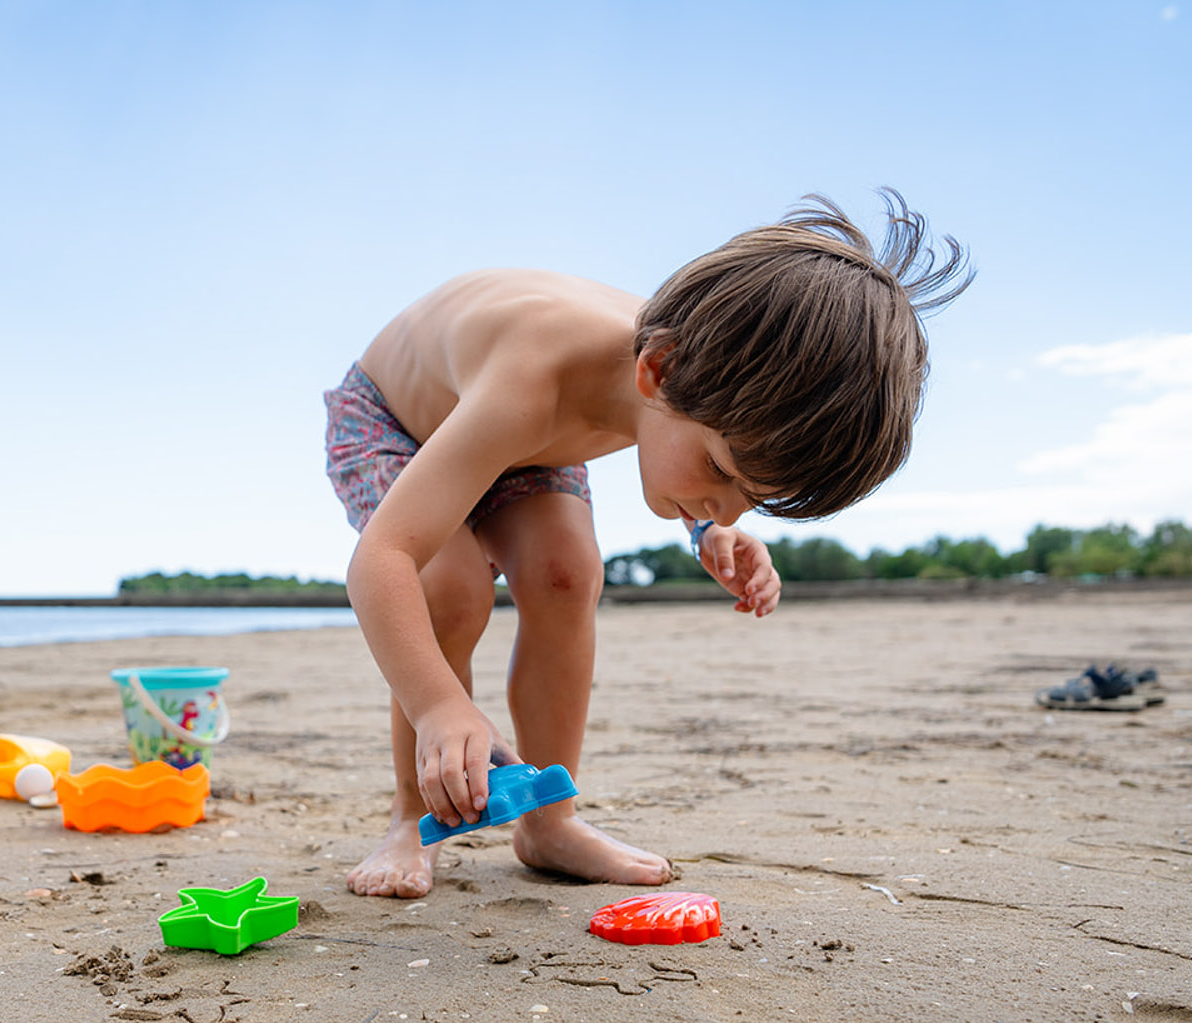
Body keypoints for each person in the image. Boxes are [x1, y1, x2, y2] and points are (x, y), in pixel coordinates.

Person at [323, 190, 971, 898]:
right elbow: (381, 559)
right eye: (722, 474)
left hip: (531, 445)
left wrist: (707, 523)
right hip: (396, 419)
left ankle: (548, 821)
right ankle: (411, 818)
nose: (731, 507)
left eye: (752, 499)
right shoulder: (539, 372)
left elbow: (679, 440)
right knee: (450, 587)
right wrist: (440, 708)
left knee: (567, 574)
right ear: (655, 371)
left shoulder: (691, 372)